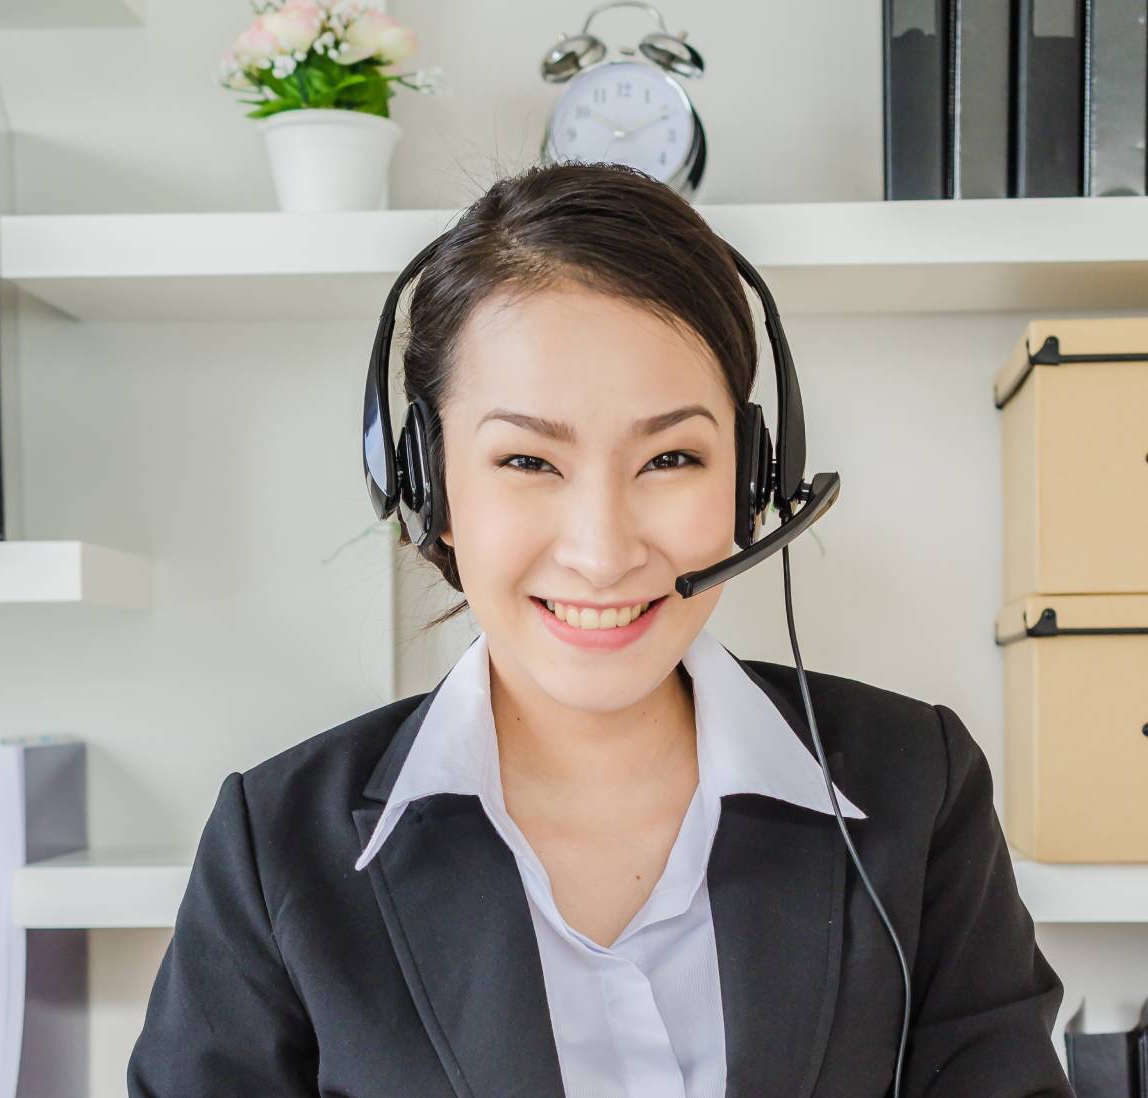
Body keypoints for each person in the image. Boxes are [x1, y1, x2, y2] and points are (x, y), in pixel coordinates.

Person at [126, 161, 1075, 1098]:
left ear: (753, 481)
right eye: (529, 461)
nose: (602, 549)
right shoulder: (277, 847)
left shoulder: (919, 787)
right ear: (429, 485)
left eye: (669, 456)